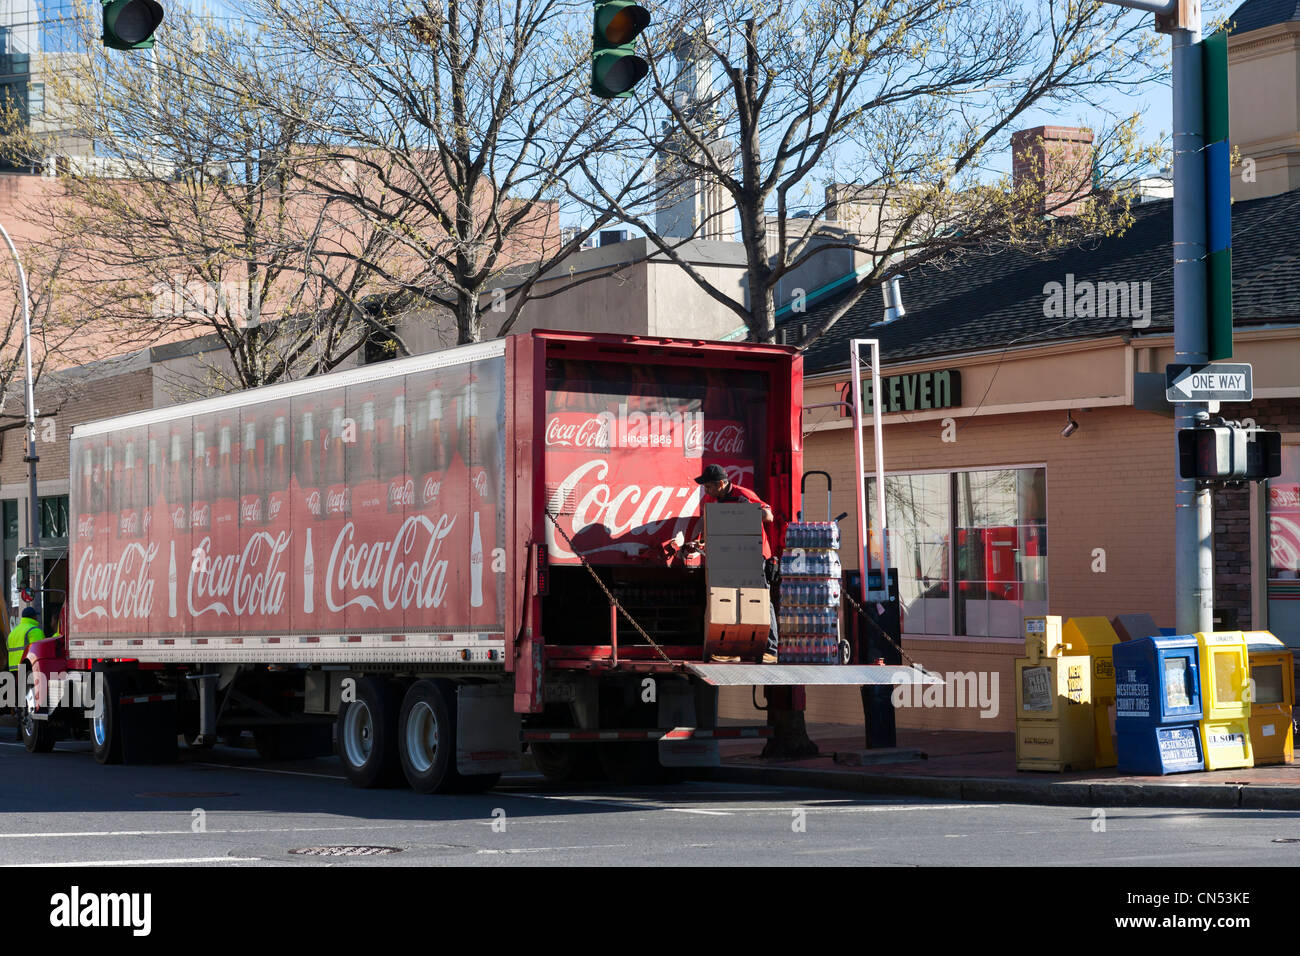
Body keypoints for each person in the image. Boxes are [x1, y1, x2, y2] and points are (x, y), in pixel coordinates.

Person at [694, 463, 784, 663]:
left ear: (721, 483)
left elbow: (768, 516)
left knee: (760, 600)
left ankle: (771, 651)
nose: (706, 491)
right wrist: (697, 540)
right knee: (731, 600)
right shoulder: (717, 503)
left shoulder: (743, 493)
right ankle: (732, 649)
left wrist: (748, 508)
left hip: (755, 554)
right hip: (732, 556)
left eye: (708, 486)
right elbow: (711, 524)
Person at [6, 606, 43, 671]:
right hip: (28, 670)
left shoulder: (12, 633)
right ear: (33, 617)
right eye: (36, 616)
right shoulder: (34, 631)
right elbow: (40, 651)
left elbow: (7, 648)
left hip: (13, 671)